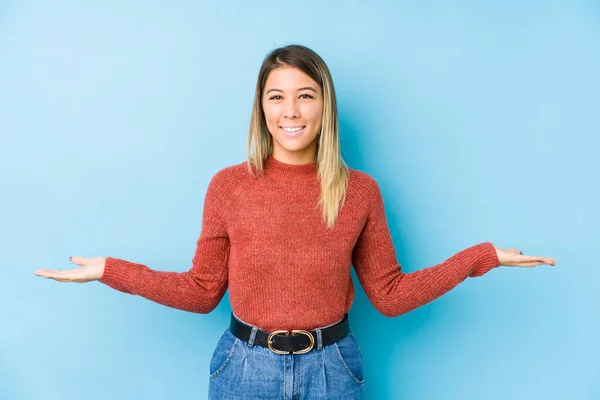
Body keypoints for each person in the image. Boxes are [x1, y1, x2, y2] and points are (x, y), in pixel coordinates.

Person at [34, 44, 556, 399]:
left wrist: (479, 259)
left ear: (324, 105)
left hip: (334, 370)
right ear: (261, 108)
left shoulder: (359, 191)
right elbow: (200, 292)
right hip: (243, 369)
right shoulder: (229, 186)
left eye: (305, 95)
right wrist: (109, 269)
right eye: (276, 96)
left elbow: (391, 296)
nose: (291, 111)